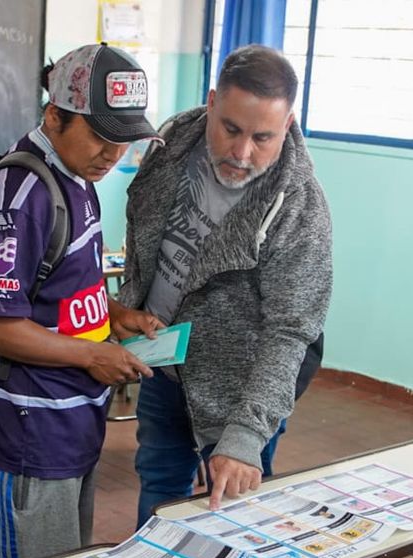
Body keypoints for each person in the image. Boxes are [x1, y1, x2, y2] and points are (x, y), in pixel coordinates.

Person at [0, 43, 162, 558]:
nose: (113, 154)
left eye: (124, 139)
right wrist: (92, 355)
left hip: (72, 426)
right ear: (54, 116)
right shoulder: (19, 196)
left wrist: (113, 313)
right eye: (100, 136)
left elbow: (56, 287)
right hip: (29, 435)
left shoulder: (77, 179)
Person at [120, 45, 333, 526]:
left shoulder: (299, 205)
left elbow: (291, 330)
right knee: (159, 487)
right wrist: (129, 306)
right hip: (162, 363)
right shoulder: (173, 142)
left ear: (288, 124)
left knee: (233, 511)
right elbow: (144, 231)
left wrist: (246, 435)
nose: (242, 153)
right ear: (212, 102)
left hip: (239, 387)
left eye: (262, 137)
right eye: (231, 129)